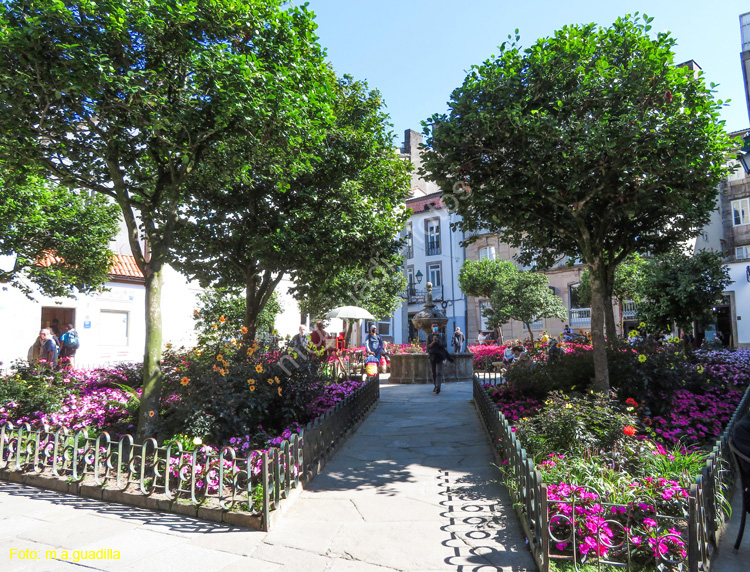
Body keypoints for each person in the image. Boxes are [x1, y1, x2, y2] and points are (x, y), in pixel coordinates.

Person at [427, 322, 447, 394]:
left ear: (438, 327)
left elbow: (444, 345)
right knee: (434, 372)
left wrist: (438, 341)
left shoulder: (442, 335)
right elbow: (428, 347)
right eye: (433, 326)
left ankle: (438, 387)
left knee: (439, 372)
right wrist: (433, 342)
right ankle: (435, 385)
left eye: (436, 326)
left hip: (440, 356)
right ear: (431, 328)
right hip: (432, 356)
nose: (435, 328)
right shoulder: (429, 336)